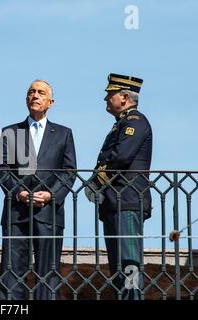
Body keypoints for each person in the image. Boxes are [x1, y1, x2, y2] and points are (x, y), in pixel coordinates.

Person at [0, 80, 77, 300]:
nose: (35, 96)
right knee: (12, 274)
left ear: (51, 102)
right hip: (16, 212)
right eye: (31, 92)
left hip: (49, 212)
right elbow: (2, 168)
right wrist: (19, 192)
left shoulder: (63, 133)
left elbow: (69, 171)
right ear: (26, 99)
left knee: (48, 275)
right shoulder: (10, 131)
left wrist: (51, 194)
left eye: (41, 93)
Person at [87, 73, 152, 300]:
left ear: (124, 97)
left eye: (110, 94)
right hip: (115, 203)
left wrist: (96, 182)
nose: (106, 99)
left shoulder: (135, 121)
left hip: (128, 201)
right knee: (117, 266)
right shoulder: (121, 124)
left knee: (129, 263)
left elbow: (122, 157)